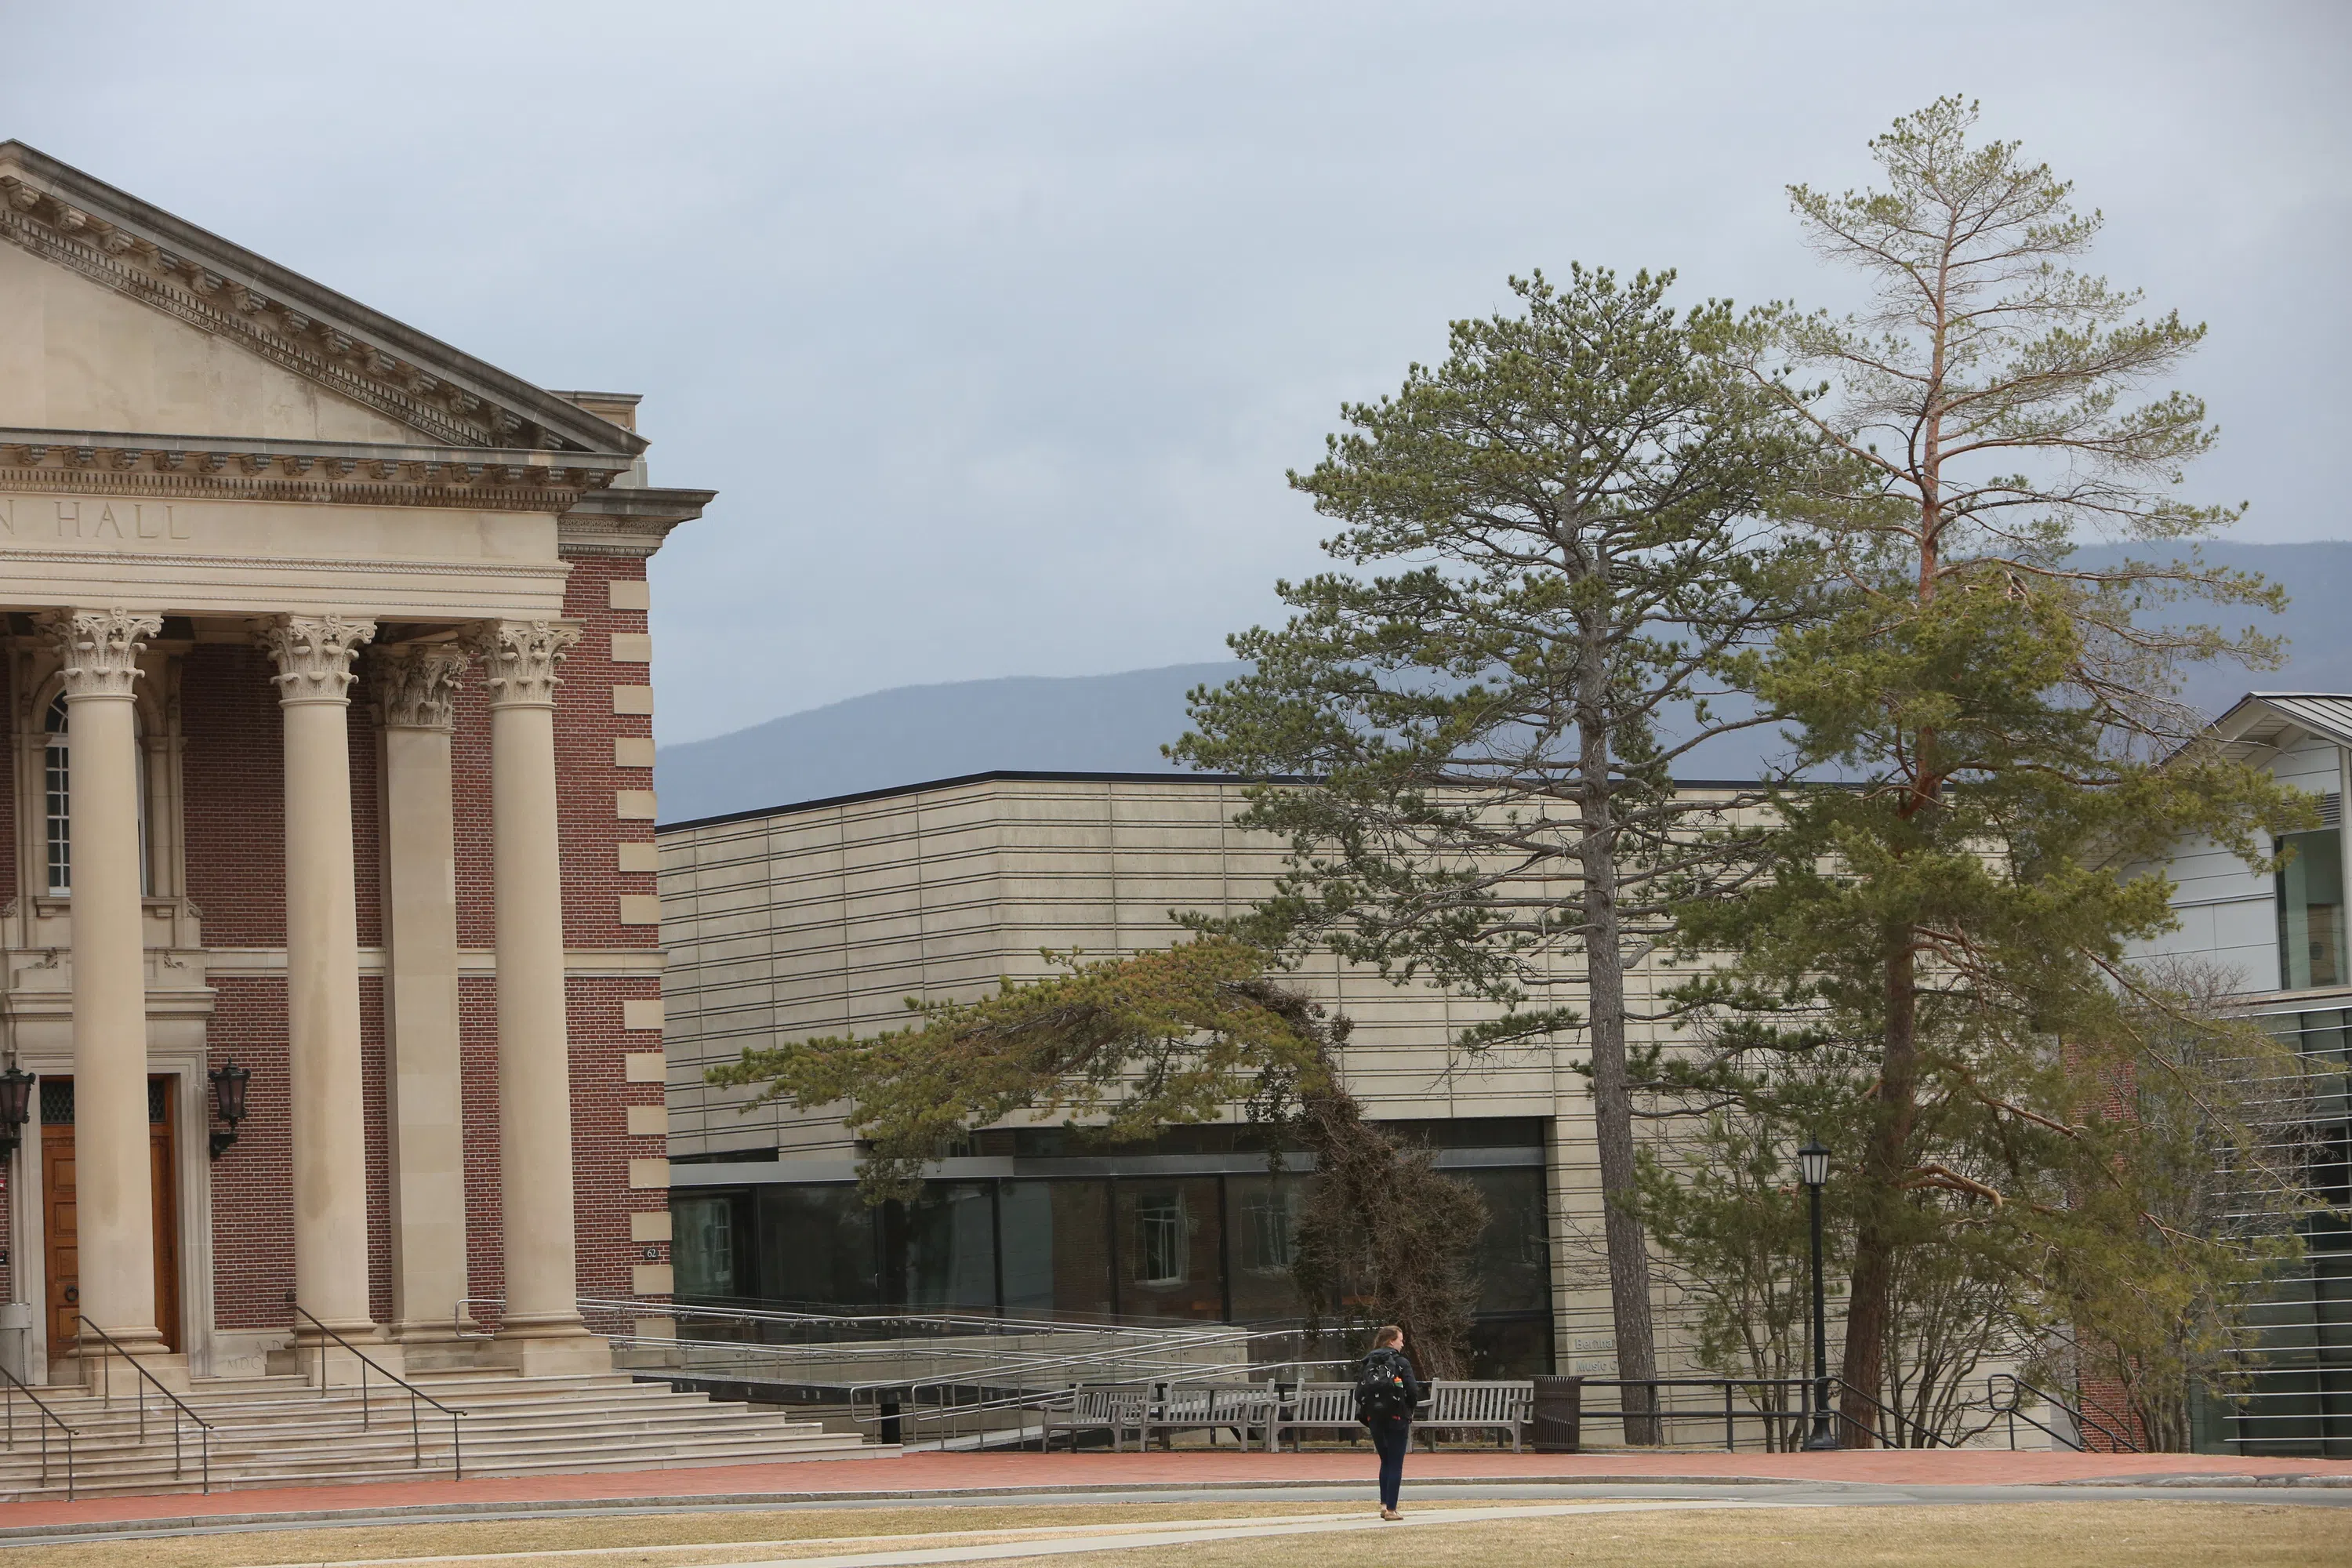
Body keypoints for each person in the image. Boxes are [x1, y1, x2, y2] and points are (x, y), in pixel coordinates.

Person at [1355, 1323, 1424, 1521]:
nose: (1403, 1344)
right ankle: (1392, 1510)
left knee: (1385, 1461)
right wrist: (1408, 1408)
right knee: (1395, 1463)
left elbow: (1359, 1393)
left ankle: (1384, 1504)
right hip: (1397, 1417)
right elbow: (1412, 1390)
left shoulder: (1368, 1361)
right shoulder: (1401, 1362)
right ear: (1392, 1341)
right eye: (1401, 1340)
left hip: (1374, 1418)